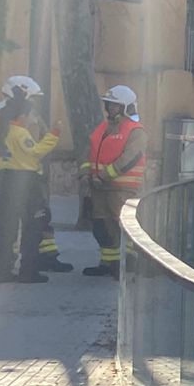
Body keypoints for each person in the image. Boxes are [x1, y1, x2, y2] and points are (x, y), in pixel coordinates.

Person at [0, 77, 60, 283]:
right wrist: (54, 135)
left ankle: (1, 271)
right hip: (25, 182)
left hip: (1, 180)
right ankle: (28, 271)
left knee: (5, 229)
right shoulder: (20, 133)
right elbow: (35, 152)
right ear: (22, 113)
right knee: (33, 226)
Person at [80, 84, 147, 277]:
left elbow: (129, 159)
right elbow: (89, 152)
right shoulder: (102, 128)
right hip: (99, 188)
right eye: (109, 105)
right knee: (102, 227)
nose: (111, 109)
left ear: (126, 107)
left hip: (122, 189)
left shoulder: (136, 131)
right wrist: (85, 174)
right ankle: (108, 263)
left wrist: (103, 175)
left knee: (124, 228)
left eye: (115, 105)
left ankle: (129, 265)